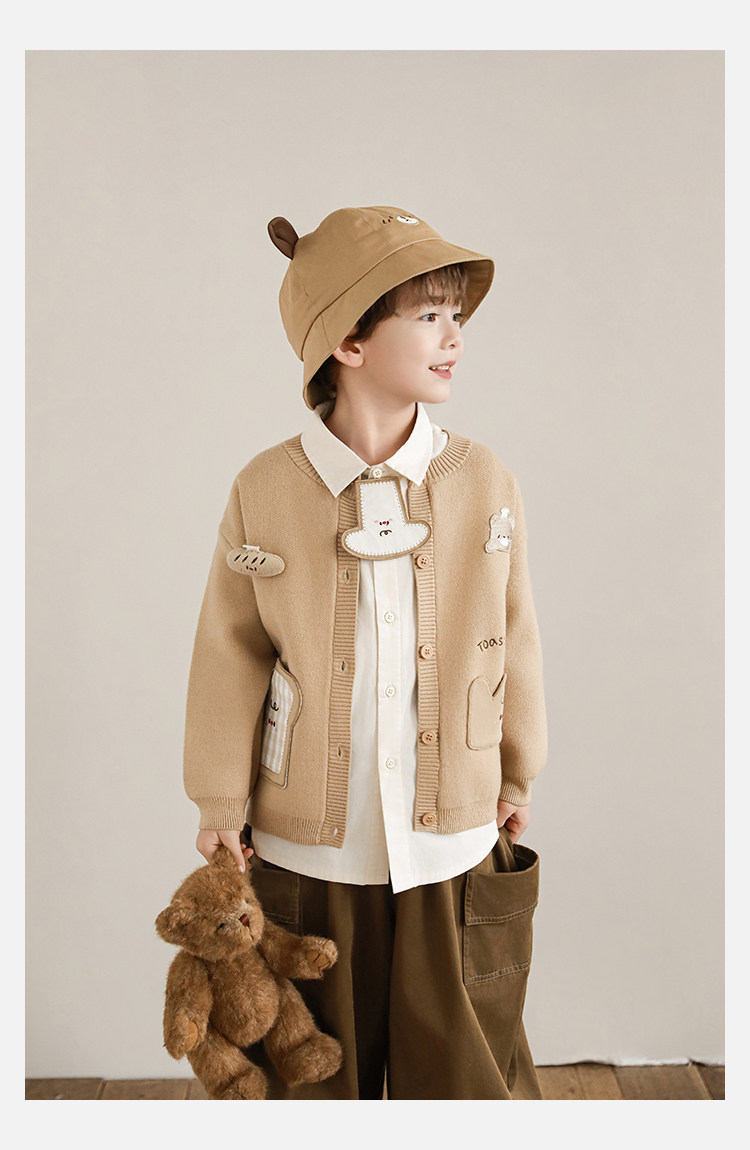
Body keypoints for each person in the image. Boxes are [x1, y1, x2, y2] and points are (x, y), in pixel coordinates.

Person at [183, 206, 548, 1099]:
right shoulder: (265, 489)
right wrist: (219, 798)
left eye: (456, 313)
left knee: (463, 1085)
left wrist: (516, 772)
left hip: (452, 839)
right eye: (428, 315)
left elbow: (515, 630)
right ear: (348, 341)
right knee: (313, 1079)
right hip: (309, 848)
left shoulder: (484, 480)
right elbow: (231, 650)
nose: (454, 336)